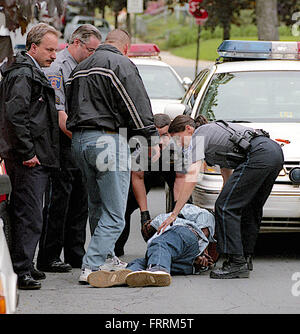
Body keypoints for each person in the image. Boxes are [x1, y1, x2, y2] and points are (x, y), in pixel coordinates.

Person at [65, 29, 160, 284]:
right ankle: (92, 264)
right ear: (126, 47)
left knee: (97, 205)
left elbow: (69, 106)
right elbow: (136, 104)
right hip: (107, 140)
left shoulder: (80, 68)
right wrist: (150, 138)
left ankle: (106, 257)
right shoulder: (120, 63)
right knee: (116, 214)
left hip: (79, 141)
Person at [158, 115, 284, 279]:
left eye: (178, 139)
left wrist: (175, 213)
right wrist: (226, 200)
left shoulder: (198, 136)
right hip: (273, 153)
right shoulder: (214, 135)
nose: (179, 144)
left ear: (188, 129)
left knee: (225, 207)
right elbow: (228, 177)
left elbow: (192, 177)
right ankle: (245, 257)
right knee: (249, 207)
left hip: (259, 154)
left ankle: (236, 263)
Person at [37, 25, 102, 273]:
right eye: (90, 49)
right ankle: (49, 255)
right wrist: (80, 139)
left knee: (80, 199)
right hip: (64, 142)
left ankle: (76, 252)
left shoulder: (86, 65)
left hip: (81, 140)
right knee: (59, 200)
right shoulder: (58, 68)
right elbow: (59, 113)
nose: (93, 54)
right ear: (75, 42)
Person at [0, 23, 60, 289]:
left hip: (33, 155)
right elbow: (16, 115)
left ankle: (25, 264)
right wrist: (28, 152)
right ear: (33, 47)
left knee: (29, 213)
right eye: (49, 49)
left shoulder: (29, 71)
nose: (54, 55)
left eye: (55, 50)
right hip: (28, 158)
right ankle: (21, 270)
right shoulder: (24, 74)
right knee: (29, 214)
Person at [87, 203, 216, 288]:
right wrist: (199, 259)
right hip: (187, 262)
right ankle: (128, 274)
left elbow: (203, 229)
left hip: (184, 233)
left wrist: (201, 253)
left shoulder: (194, 213)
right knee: (145, 260)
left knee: (160, 244)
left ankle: (158, 268)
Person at [114, 113, 186, 257]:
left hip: (172, 171)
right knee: (126, 206)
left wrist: (176, 210)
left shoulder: (177, 146)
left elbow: (180, 179)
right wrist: (144, 214)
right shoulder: (143, 146)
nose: (160, 140)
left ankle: (181, 249)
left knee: (184, 208)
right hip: (148, 171)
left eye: (164, 135)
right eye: (156, 135)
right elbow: (138, 178)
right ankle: (116, 249)